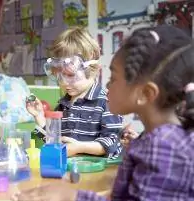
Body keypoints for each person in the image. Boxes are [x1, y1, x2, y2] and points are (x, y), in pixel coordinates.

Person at [14, 25, 194, 201]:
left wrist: (73, 197)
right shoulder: (157, 139)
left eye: (114, 78)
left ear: (146, 94)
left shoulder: (164, 146)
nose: (107, 86)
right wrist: (40, 118)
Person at [27, 26, 123, 159]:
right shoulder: (63, 104)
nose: (64, 83)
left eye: (71, 75)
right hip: (70, 170)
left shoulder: (106, 101)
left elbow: (113, 141)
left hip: (97, 172)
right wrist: (39, 117)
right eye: (59, 77)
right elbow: (54, 141)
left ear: (94, 69)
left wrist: (80, 147)